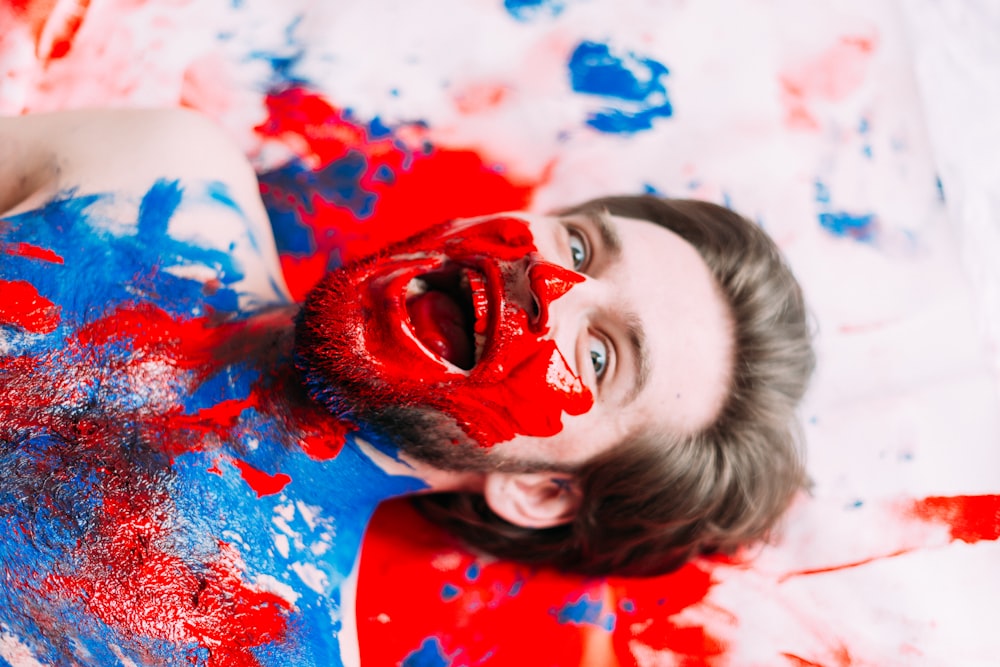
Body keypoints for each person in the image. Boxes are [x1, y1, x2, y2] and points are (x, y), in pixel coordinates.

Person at [0, 109, 814, 666]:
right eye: (580, 245)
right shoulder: (151, 172)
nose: (546, 283)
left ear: (541, 491)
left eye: (601, 356)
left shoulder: (267, 648)